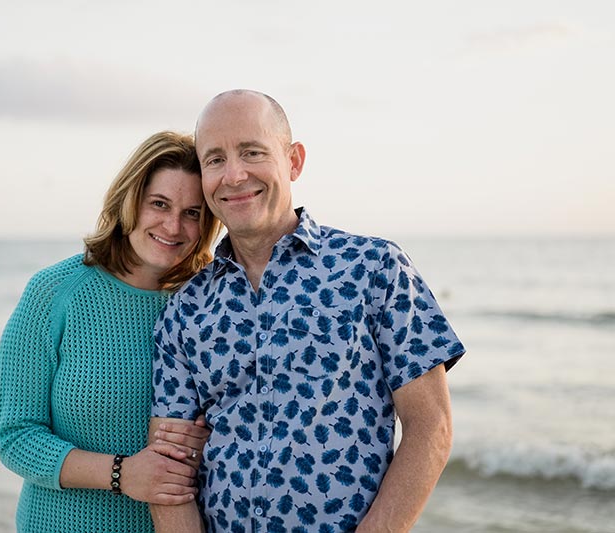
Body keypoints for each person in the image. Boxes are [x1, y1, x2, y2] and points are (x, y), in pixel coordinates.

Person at [149, 91, 466, 533]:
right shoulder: (186, 310)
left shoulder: (374, 268)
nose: (234, 174)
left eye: (252, 152)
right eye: (215, 160)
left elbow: (431, 426)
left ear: (293, 161)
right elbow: (169, 471)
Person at [0, 131, 222, 533]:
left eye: (192, 212)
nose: (173, 225)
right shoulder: (55, 292)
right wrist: (122, 473)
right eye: (159, 204)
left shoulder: (208, 303)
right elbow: (16, 438)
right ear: (129, 200)